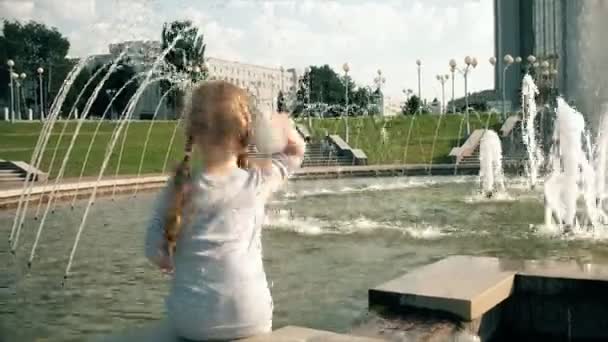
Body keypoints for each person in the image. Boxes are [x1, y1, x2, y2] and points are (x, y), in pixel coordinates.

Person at [144, 81, 305, 341]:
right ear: (245, 134)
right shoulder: (257, 182)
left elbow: (152, 249)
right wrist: (282, 124)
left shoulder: (178, 188)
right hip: (251, 318)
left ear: (193, 133)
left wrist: (169, 259)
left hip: (192, 324)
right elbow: (296, 150)